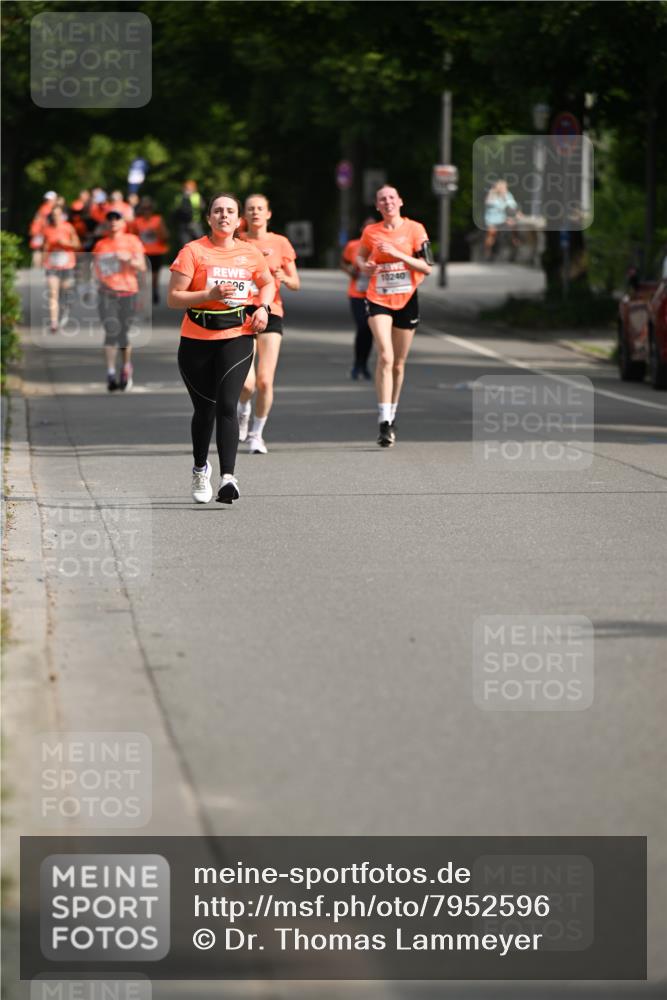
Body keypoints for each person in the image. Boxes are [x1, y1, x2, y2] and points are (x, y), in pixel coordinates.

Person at [167, 193, 274, 504]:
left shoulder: (250, 252)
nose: (223, 216)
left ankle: (228, 477)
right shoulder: (193, 251)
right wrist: (208, 294)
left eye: (229, 211)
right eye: (217, 211)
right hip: (196, 338)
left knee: (228, 405)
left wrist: (263, 307)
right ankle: (200, 469)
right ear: (208, 218)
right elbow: (174, 298)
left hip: (237, 334)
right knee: (205, 410)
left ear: (238, 220)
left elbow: (267, 283)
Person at [356, 185, 433, 447]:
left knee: (398, 364)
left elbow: (427, 267)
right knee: (385, 356)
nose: (387, 202)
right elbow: (360, 258)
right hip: (378, 297)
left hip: (407, 299)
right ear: (377, 206)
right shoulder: (371, 231)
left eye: (391, 197)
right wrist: (365, 266)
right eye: (382, 199)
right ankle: (384, 420)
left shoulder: (415, 229)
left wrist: (397, 253)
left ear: (400, 201)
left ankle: (392, 412)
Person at [236, 193, 299, 454]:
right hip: (241, 311)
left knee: (264, 381)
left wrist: (284, 277)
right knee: (246, 383)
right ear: (244, 214)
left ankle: (256, 435)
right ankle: (243, 410)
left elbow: (295, 283)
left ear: (268, 213)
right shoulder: (237, 241)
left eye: (260, 208)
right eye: (250, 209)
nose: (255, 212)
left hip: (271, 311)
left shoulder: (280, 242)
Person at [93, 210, 146, 392]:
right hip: (106, 293)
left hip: (128, 292)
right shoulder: (101, 244)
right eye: (110, 219)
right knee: (110, 331)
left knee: (123, 334)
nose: (113, 222)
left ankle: (126, 367)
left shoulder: (132, 241)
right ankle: (110, 373)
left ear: (123, 223)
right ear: (106, 224)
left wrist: (128, 258)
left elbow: (142, 266)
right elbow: (95, 269)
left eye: (117, 219)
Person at [340, 216, 376, 380]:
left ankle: (364, 364)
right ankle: (357, 364)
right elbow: (343, 262)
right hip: (357, 294)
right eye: (367, 228)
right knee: (362, 326)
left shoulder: (382, 246)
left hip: (376, 294)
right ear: (362, 230)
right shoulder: (353, 245)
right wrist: (350, 271)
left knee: (370, 330)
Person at [42, 204, 81, 333]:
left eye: (58, 214)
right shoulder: (47, 229)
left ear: (63, 215)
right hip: (52, 264)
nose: (56, 217)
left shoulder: (68, 227)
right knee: (53, 293)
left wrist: (65, 243)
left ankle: (65, 306)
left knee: (65, 289)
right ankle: (54, 323)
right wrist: (44, 259)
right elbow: (45, 246)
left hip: (67, 264)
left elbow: (77, 245)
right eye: (54, 215)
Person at [129, 197, 169, 303]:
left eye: (148, 208)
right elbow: (133, 237)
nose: (146, 211)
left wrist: (158, 232)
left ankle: (154, 290)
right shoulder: (137, 221)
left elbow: (165, 236)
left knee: (155, 273)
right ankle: (143, 293)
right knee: (141, 274)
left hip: (156, 251)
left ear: (152, 209)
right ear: (141, 210)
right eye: (144, 209)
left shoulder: (158, 219)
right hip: (143, 252)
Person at [483, 179, 521, 261]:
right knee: (491, 233)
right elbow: (488, 203)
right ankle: (488, 251)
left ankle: (515, 242)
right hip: (492, 219)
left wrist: (516, 213)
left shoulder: (507, 195)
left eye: (505, 187)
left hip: (503, 218)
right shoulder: (492, 193)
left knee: (513, 225)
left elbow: (513, 205)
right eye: (502, 187)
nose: (504, 189)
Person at [29, 191, 57, 267]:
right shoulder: (47, 209)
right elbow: (44, 223)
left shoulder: (42, 207)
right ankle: (38, 268)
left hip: (38, 231)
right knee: (39, 250)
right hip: (41, 232)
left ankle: (38, 267)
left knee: (38, 250)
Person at [174, 180, 204, 247]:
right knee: (186, 244)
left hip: (194, 222)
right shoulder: (179, 197)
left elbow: (202, 207)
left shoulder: (197, 196)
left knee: (200, 243)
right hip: (184, 223)